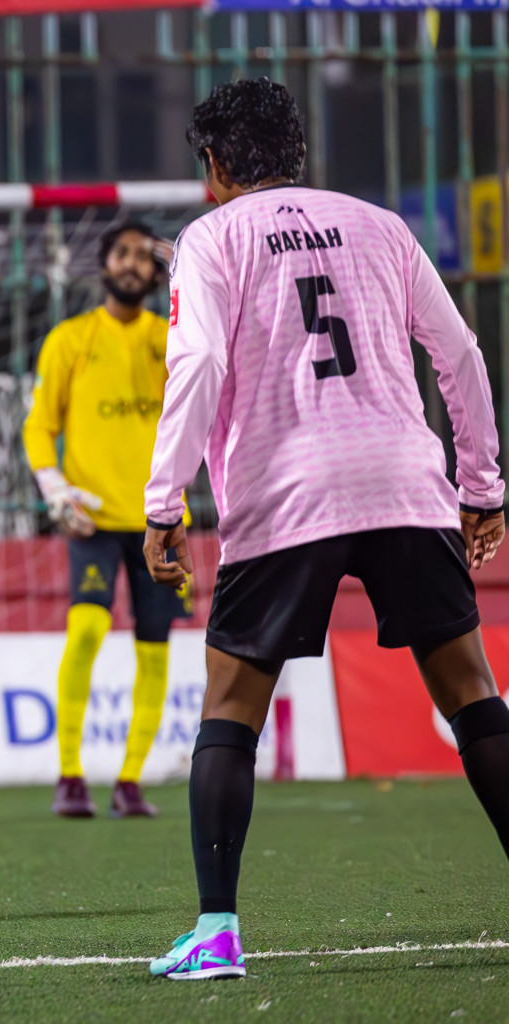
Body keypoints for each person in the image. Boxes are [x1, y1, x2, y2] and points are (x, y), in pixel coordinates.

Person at [142, 77, 506, 981]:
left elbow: (196, 364)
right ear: (297, 153)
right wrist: (483, 486)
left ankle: (218, 932)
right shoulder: (381, 224)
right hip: (402, 480)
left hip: (286, 488)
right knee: (473, 696)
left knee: (231, 709)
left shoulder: (212, 237)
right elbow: (459, 352)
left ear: (218, 165)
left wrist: (163, 502)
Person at [23, 221, 191, 820]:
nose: (131, 265)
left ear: (155, 272)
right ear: (102, 265)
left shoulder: (175, 336)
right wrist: (54, 489)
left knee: (155, 651)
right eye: (120, 253)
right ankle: (70, 775)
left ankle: (129, 782)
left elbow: (210, 382)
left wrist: (189, 278)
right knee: (87, 631)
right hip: (91, 519)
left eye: (143, 257)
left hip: (161, 519)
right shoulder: (71, 339)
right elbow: (39, 425)